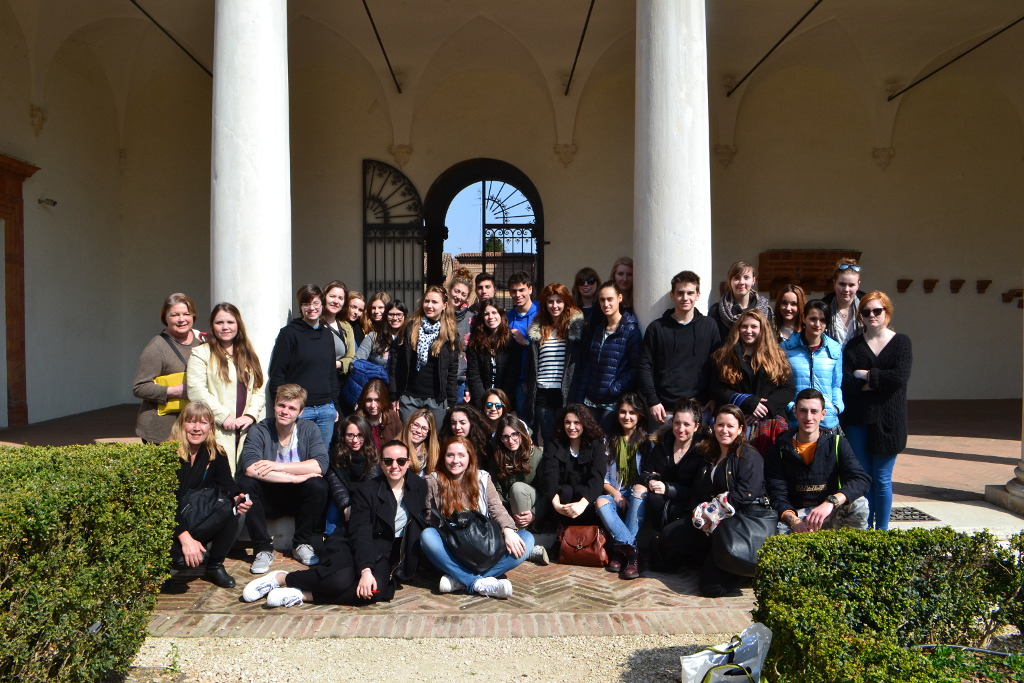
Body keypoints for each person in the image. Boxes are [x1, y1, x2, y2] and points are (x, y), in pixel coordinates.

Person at [242, 440, 427, 607]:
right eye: (388, 461)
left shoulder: (417, 487)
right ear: (381, 463)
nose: (395, 466)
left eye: (400, 461)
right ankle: (283, 578)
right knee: (339, 580)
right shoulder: (367, 490)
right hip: (350, 541)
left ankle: (302, 594)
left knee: (374, 592)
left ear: (408, 462)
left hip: (382, 551)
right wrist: (365, 570)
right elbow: (360, 531)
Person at [670, 404, 767, 597]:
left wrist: (712, 513)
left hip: (738, 525)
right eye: (720, 425)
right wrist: (698, 511)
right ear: (714, 427)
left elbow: (747, 493)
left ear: (740, 429)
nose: (724, 430)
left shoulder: (749, 455)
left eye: (730, 426)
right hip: (712, 525)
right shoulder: (711, 455)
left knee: (710, 587)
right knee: (669, 537)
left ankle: (749, 571)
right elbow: (699, 489)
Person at [422, 436, 535, 598]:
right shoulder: (433, 481)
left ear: (470, 457)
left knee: (527, 539)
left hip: (483, 546)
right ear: (443, 457)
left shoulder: (482, 478)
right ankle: (479, 582)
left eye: (461, 455)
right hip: (453, 548)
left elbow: (496, 508)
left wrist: (508, 530)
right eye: (450, 455)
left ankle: (462, 579)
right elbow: (429, 519)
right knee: (427, 536)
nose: (455, 460)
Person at [237, 384, 330, 573]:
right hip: (268, 497)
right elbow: (250, 468)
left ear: (300, 412)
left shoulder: (309, 429)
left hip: (297, 499)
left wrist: (278, 466)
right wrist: (293, 478)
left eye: (292, 408)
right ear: (275, 406)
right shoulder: (260, 430)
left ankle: (301, 544)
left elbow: (320, 465)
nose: (285, 412)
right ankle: (262, 548)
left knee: (318, 485)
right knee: (245, 484)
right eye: (282, 405)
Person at [841, 291, 912, 530]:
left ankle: (881, 532)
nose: (872, 315)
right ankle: (864, 531)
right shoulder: (853, 346)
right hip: (858, 420)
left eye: (877, 311)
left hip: (889, 421)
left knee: (882, 479)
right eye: (866, 312)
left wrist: (866, 375)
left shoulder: (901, 342)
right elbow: (848, 385)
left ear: (887, 312)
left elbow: (900, 378)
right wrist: (880, 382)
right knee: (864, 481)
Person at [171, 402, 253, 589]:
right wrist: (185, 538)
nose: (197, 428)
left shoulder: (215, 453)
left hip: (198, 516)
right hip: (174, 522)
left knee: (234, 511)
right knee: (182, 561)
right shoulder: (169, 455)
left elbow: (227, 484)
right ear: (182, 424)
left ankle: (215, 565)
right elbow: (168, 504)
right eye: (191, 422)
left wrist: (239, 497)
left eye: (203, 423)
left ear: (210, 428)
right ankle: (166, 565)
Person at [766, 389, 870, 535]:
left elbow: (861, 480)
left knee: (860, 504)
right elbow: (777, 494)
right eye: (803, 411)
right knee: (774, 532)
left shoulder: (837, 443)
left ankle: (851, 551)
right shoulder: (780, 449)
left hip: (830, 511)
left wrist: (831, 502)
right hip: (797, 517)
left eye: (814, 411)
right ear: (795, 413)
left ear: (823, 414)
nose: (808, 417)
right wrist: (794, 521)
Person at [185, 303, 265, 474]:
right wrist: (223, 416)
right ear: (212, 326)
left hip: (246, 428)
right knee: (222, 477)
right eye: (219, 323)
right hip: (219, 428)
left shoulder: (248, 353)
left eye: (230, 322)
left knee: (247, 479)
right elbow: (196, 391)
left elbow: (259, 388)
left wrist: (251, 415)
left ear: (238, 324)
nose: (225, 327)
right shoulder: (201, 353)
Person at [638, 271, 722, 426]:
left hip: (701, 409)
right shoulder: (656, 328)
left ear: (698, 295)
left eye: (690, 293)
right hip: (664, 410)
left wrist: (714, 397)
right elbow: (644, 365)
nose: (685, 298)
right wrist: (652, 400)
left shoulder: (709, 326)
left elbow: (717, 364)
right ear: (672, 295)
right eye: (680, 293)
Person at [710, 309, 795, 455]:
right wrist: (748, 402)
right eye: (744, 326)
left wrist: (765, 407)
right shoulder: (723, 356)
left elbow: (788, 389)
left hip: (770, 424)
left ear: (762, 329)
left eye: (754, 327)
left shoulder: (778, 356)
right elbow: (716, 388)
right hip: (736, 423)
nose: (748, 331)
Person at [266, 284, 339, 449]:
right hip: (299, 410)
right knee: (295, 456)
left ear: (322, 305)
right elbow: (277, 373)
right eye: (307, 304)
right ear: (300, 307)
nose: (312, 308)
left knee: (321, 459)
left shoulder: (327, 334)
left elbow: (331, 373)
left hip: (326, 409)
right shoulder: (289, 334)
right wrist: (282, 407)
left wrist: (334, 405)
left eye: (316, 303)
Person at [133, 292, 206, 443]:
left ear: (193, 316)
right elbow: (139, 387)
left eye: (186, 314)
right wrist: (174, 391)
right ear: (165, 318)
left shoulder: (202, 341)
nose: (181, 319)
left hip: (194, 428)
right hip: (161, 430)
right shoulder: (157, 347)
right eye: (175, 315)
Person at [595, 393, 653, 580]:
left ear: (640, 416)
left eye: (632, 413)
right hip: (615, 491)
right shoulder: (608, 441)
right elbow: (602, 477)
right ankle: (632, 553)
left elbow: (650, 475)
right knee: (601, 502)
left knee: (639, 491)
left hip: (638, 493)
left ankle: (620, 553)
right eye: (623, 412)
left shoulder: (648, 443)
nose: (627, 417)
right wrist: (616, 494)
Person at [526, 282, 586, 446]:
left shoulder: (574, 327)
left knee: (567, 439)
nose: (554, 305)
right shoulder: (539, 327)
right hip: (543, 393)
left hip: (565, 392)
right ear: (544, 304)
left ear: (566, 302)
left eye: (559, 301)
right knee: (547, 438)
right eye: (550, 301)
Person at [390, 285, 459, 427]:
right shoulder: (410, 326)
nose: (429, 305)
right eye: (426, 301)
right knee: (410, 439)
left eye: (434, 302)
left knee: (434, 443)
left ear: (444, 305)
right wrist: (395, 395)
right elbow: (396, 363)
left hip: (436, 399)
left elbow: (452, 371)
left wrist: (451, 402)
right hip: (410, 397)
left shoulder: (450, 333)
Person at [576, 281, 643, 427]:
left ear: (619, 298)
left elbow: (635, 368)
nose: (606, 304)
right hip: (591, 400)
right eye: (602, 300)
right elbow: (589, 365)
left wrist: (614, 388)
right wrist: (581, 396)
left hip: (613, 403)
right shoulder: (598, 329)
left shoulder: (630, 330)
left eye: (610, 299)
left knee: (606, 446)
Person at [540, 404, 607, 529]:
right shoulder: (555, 442)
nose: (571, 427)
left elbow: (597, 477)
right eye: (568, 422)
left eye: (577, 423)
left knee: (580, 490)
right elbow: (550, 473)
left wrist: (581, 504)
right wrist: (557, 505)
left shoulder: (596, 443)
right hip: (561, 503)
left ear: (585, 424)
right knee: (566, 490)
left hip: (586, 502)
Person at [643, 398, 704, 534]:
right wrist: (651, 480)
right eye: (677, 423)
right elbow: (646, 472)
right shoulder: (663, 444)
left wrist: (668, 488)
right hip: (659, 506)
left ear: (696, 427)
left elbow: (698, 491)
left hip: (688, 507)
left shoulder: (702, 452)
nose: (680, 429)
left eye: (686, 424)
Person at [782, 299, 843, 432]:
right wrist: (791, 407)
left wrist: (836, 407)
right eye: (813, 318)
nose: (818, 324)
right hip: (796, 421)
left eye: (823, 320)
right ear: (804, 318)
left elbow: (836, 385)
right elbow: (780, 384)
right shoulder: (786, 348)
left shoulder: (835, 349)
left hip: (827, 421)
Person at [488, 415, 545, 536]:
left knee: (518, 488)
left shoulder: (537, 455)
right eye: (505, 437)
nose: (511, 440)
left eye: (515, 434)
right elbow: (495, 489)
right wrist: (505, 513)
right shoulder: (497, 457)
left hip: (534, 504)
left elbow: (546, 492)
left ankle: (521, 536)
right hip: (509, 507)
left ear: (522, 434)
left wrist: (534, 513)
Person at [325, 415, 379, 534]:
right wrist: (345, 505)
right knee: (332, 521)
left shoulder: (373, 455)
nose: (355, 440)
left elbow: (371, 481)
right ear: (343, 436)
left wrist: (358, 504)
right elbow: (335, 483)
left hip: (364, 498)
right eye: (350, 435)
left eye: (360, 435)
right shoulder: (334, 455)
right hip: (341, 497)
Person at [465, 298, 518, 405]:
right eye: (486, 314)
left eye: (494, 312)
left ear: (501, 315)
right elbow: (474, 374)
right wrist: (483, 402)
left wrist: (502, 401)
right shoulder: (476, 341)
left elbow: (512, 375)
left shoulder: (511, 340)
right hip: (481, 400)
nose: (491, 317)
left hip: (504, 400)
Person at [707, 261, 775, 341]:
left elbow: (771, 341)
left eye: (746, 277)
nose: (741, 282)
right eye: (737, 278)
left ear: (753, 281)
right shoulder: (716, 311)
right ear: (730, 281)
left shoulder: (765, 310)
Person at [506, 270, 539, 416]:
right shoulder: (507, 318)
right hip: (519, 380)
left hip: (540, 378)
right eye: (514, 291)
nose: (518, 295)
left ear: (530, 289)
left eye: (521, 290)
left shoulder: (542, 312)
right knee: (524, 424)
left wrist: (525, 342)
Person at [321, 280, 357, 392]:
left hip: (339, 383)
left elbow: (351, 356)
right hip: (318, 381)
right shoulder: (314, 324)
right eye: (332, 296)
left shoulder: (346, 326)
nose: (336, 301)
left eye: (341, 298)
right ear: (324, 297)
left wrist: (339, 364)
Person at [823, 258, 865, 347]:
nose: (846, 289)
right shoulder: (823, 309)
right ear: (834, 283)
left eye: (851, 285)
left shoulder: (868, 309)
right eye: (842, 284)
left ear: (858, 285)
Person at [355, 299, 407, 369]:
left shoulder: (410, 338)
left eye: (399, 314)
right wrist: (374, 373)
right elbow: (356, 363)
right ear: (386, 316)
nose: (395, 318)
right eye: (391, 315)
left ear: (405, 316)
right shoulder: (373, 337)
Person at [354, 379, 402, 451]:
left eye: (377, 400)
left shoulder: (392, 417)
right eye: (369, 400)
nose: (373, 405)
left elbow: (402, 442)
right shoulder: (357, 420)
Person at [440, 403, 491, 469]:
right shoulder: (443, 443)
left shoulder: (483, 446)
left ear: (472, 423)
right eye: (453, 423)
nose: (457, 427)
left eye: (462, 423)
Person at [449, 268, 474, 404]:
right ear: (450, 289)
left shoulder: (471, 319)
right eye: (456, 291)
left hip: (460, 379)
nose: (458, 296)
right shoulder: (438, 314)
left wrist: (469, 386)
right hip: (438, 378)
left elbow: (472, 354)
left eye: (463, 294)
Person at [400, 408, 437, 474]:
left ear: (429, 433)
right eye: (416, 425)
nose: (418, 431)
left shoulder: (431, 452)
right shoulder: (396, 447)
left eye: (424, 428)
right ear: (409, 424)